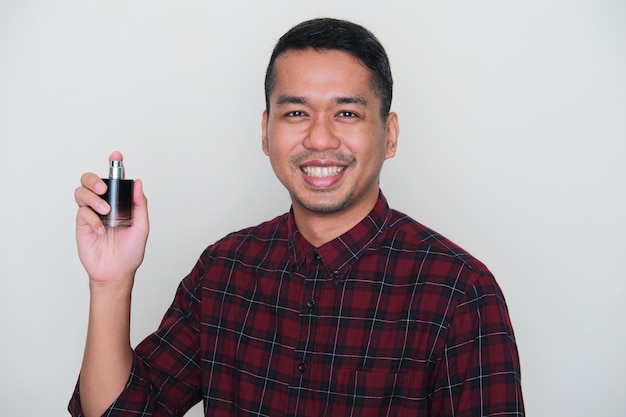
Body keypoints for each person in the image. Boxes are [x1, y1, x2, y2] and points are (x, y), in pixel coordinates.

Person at [69, 17, 524, 417]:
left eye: (346, 112)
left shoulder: (460, 292)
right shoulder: (224, 269)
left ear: (390, 135)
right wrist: (110, 284)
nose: (320, 138)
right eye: (296, 112)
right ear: (266, 132)